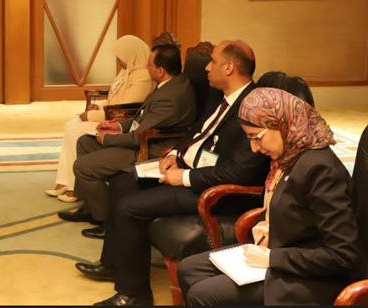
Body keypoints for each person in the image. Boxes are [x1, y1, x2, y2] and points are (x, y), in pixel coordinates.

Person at [78, 40, 270, 306]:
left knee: (129, 207)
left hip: (213, 190)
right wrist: (174, 154)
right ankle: (114, 264)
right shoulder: (221, 97)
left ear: (228, 68)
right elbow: (196, 131)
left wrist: (184, 177)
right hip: (191, 169)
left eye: (213, 62)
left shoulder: (253, 107)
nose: (207, 68)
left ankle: (134, 295)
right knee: (122, 182)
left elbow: (241, 172)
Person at [178, 87, 362, 306]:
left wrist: (272, 258)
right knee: (189, 269)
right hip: (285, 254)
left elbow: (343, 255)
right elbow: (297, 214)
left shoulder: (320, 169)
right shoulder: (287, 157)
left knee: (203, 294)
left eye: (256, 137)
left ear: (281, 124)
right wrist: (267, 225)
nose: (254, 148)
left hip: (316, 278)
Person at [58, 43, 196, 233]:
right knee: (85, 142)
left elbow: (140, 136)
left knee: (83, 167)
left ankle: (107, 222)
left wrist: (108, 139)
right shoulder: (170, 84)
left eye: (149, 64)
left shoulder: (170, 97)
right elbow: (143, 118)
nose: (146, 67)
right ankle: (90, 208)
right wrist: (118, 126)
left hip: (150, 148)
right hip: (143, 138)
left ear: (161, 71)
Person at [46, 35, 154, 203]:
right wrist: (98, 107)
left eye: (120, 57)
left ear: (131, 54)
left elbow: (125, 109)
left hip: (120, 122)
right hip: (109, 115)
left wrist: (91, 116)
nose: (118, 61)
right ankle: (64, 181)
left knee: (76, 131)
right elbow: (113, 100)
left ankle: (75, 188)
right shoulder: (127, 71)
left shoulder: (143, 77)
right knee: (70, 125)